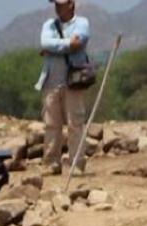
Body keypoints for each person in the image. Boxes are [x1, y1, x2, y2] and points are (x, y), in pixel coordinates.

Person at [37, 0, 91, 176]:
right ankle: (51, 162)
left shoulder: (82, 23)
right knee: (51, 124)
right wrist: (68, 45)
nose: (57, 7)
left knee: (75, 123)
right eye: (56, 4)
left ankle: (77, 163)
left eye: (61, 4)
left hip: (73, 81)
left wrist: (54, 48)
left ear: (71, 4)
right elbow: (46, 43)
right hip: (51, 81)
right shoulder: (49, 25)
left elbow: (78, 43)